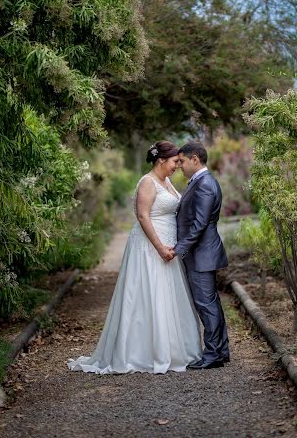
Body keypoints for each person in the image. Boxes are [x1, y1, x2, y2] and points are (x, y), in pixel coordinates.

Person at [68, 141, 202, 374]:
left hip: (169, 246)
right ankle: (141, 352)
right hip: (150, 247)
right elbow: (142, 216)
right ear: (161, 160)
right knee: (147, 294)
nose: (176, 166)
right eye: (174, 162)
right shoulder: (147, 183)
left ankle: (171, 349)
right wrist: (160, 247)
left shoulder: (166, 181)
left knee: (167, 294)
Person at [174, 141, 229, 369]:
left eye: (182, 161)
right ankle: (221, 350)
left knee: (206, 304)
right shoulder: (200, 181)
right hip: (202, 253)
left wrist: (179, 248)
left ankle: (213, 354)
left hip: (202, 253)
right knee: (211, 303)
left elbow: (199, 224)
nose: (180, 166)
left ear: (195, 158)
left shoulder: (205, 184)